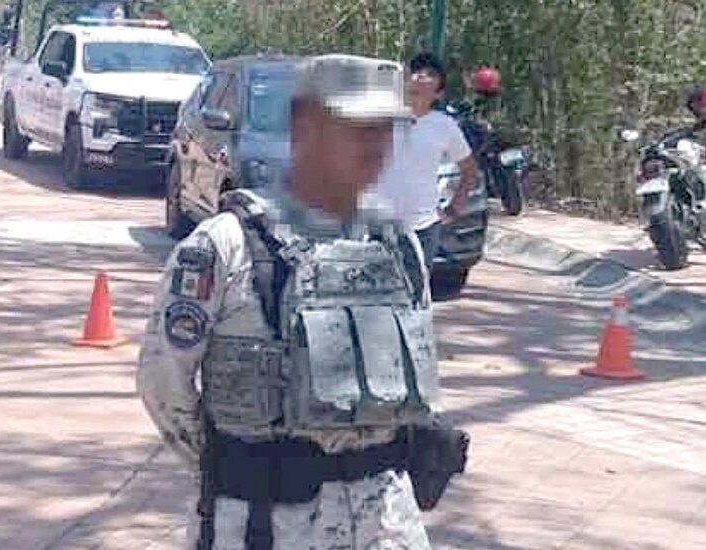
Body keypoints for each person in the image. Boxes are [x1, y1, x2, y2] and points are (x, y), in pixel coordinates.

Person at [137, 54, 466, 548]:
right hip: (265, 521)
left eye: (385, 128)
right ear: (303, 126)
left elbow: (415, 381)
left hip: (385, 524)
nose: (374, 144)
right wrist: (239, 464)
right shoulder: (224, 247)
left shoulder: (400, 247)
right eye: (354, 126)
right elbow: (163, 382)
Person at [379, 52, 477, 271]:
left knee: (414, 297)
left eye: (429, 74)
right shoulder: (378, 118)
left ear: (438, 92)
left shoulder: (444, 126)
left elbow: (469, 171)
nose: (419, 77)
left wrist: (453, 209)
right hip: (375, 228)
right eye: (414, 72)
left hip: (422, 229)